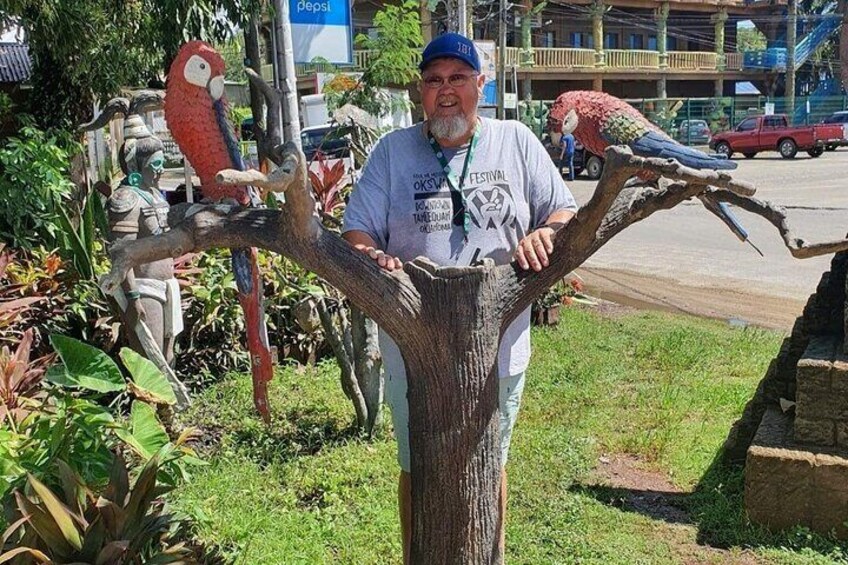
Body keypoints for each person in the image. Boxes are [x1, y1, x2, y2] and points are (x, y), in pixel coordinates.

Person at [341, 32, 577, 562]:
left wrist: (547, 233)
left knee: (488, 463)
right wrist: (372, 258)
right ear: (419, 92)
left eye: (458, 79)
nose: (446, 91)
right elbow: (357, 232)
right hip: (413, 348)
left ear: (481, 85)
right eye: (434, 80)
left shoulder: (515, 141)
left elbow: (563, 211)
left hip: (498, 346)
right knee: (416, 466)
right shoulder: (391, 153)